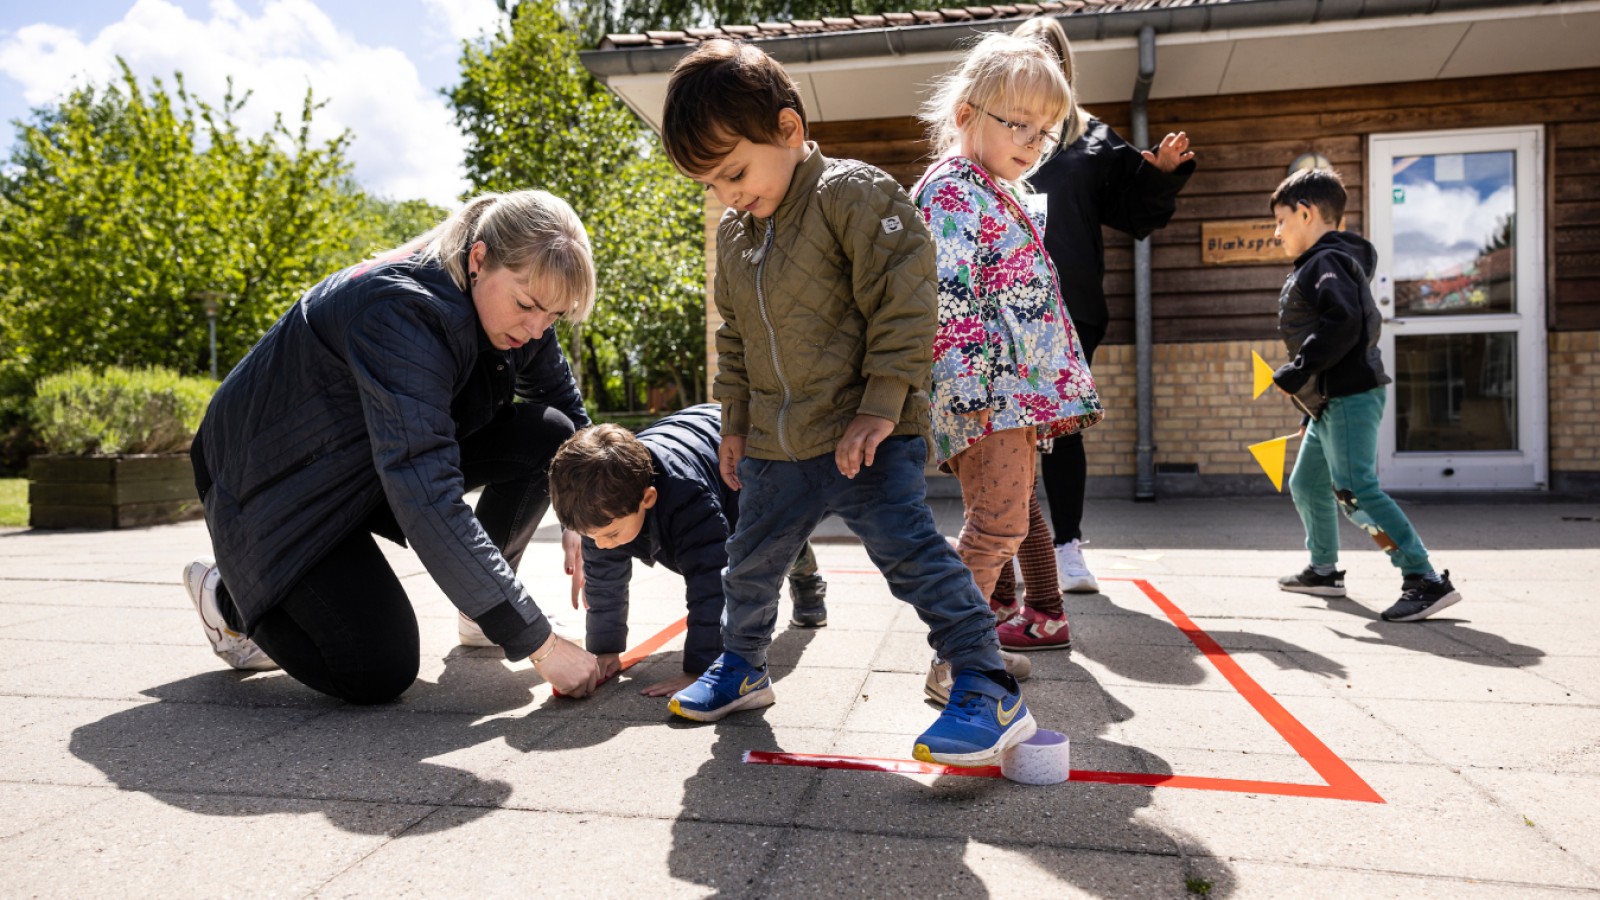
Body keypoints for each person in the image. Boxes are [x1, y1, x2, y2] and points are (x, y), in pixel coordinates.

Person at [656, 38, 1035, 767]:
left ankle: (987, 685)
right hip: (774, 442)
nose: (728, 194)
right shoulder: (737, 239)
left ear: (790, 130)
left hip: (866, 436)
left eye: (734, 171)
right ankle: (743, 669)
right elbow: (733, 338)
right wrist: (734, 423)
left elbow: (906, 298)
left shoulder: (852, 194)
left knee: (912, 556)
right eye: (711, 184)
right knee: (750, 561)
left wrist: (883, 403)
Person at [182, 190, 607, 703]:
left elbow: (567, 412)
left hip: (360, 460)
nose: (537, 328)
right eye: (527, 306)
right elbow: (424, 488)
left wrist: (582, 515)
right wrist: (539, 643)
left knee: (553, 436)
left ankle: (484, 612)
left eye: (554, 315)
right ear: (479, 260)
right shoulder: (402, 312)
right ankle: (224, 596)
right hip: (267, 487)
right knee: (377, 668)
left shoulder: (520, 303)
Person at [914, 32, 1102, 677]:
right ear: (966, 115)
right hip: (989, 394)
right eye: (1019, 124)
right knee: (996, 525)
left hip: (1011, 394)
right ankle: (957, 659)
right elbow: (947, 295)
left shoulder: (990, 187)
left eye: (1044, 133)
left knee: (1005, 525)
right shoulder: (953, 189)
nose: (1032, 142)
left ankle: (972, 646)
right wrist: (973, 395)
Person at [1013, 16, 1197, 598]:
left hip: (1071, 307)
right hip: (1002, 307)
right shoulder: (995, 130)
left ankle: (1067, 548)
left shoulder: (1090, 138)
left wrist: (1163, 176)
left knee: (1061, 429)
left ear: (1063, 69)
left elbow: (1135, 211)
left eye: (1048, 58)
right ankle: (1009, 543)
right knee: (1008, 430)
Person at [1268, 166, 1463, 621]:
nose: (1277, 233)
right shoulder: (1329, 262)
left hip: (1350, 396)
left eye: (1280, 221)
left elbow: (1345, 324)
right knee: (1307, 482)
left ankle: (1423, 578)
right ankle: (1323, 570)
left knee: (1355, 491)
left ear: (1306, 213)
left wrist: (1298, 371)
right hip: (1329, 401)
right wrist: (1309, 400)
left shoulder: (1325, 262)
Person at [545, 404, 828, 698]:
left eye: (610, 535)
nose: (600, 544)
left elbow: (710, 584)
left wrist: (700, 668)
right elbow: (604, 583)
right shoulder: (601, 508)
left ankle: (807, 576)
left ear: (647, 498)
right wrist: (605, 650)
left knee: (767, 547)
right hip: (694, 448)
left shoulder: (688, 498)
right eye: (590, 537)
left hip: (740, 468)